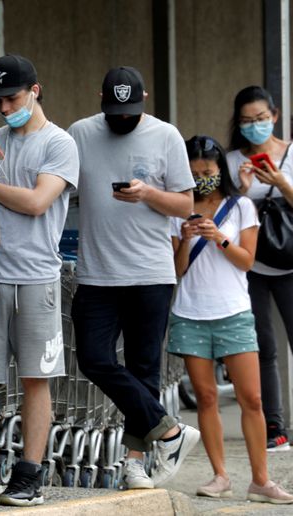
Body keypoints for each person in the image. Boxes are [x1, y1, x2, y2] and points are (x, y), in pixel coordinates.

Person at [67, 66, 200, 490]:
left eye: (128, 111)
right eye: (113, 110)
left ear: (142, 100)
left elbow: (184, 205)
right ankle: (171, 431)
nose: (120, 118)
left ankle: (136, 463)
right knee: (93, 359)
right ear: (99, 98)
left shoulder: (166, 135)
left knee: (143, 369)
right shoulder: (81, 133)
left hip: (150, 271)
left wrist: (147, 194)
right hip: (97, 273)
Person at [0, 54, 79, 507]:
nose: (5, 108)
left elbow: (36, 202)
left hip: (37, 276)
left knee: (36, 377)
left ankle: (30, 472)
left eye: (12, 97)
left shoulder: (60, 143)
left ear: (36, 90)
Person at [168, 135, 293, 503]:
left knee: (251, 398)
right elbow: (175, 271)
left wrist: (219, 238)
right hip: (190, 313)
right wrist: (188, 239)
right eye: (193, 172)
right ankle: (220, 475)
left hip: (234, 312)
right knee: (205, 398)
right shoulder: (178, 208)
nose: (202, 177)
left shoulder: (240, 207)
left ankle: (261, 480)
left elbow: (247, 261)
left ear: (220, 169)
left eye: (207, 171)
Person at [226, 85, 293, 452]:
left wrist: (281, 182)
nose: (255, 127)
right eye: (248, 121)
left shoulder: (291, 155)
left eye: (262, 119)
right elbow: (222, 212)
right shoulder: (233, 159)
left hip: (291, 264)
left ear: (275, 116)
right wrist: (241, 186)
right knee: (261, 347)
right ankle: (275, 428)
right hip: (250, 266)